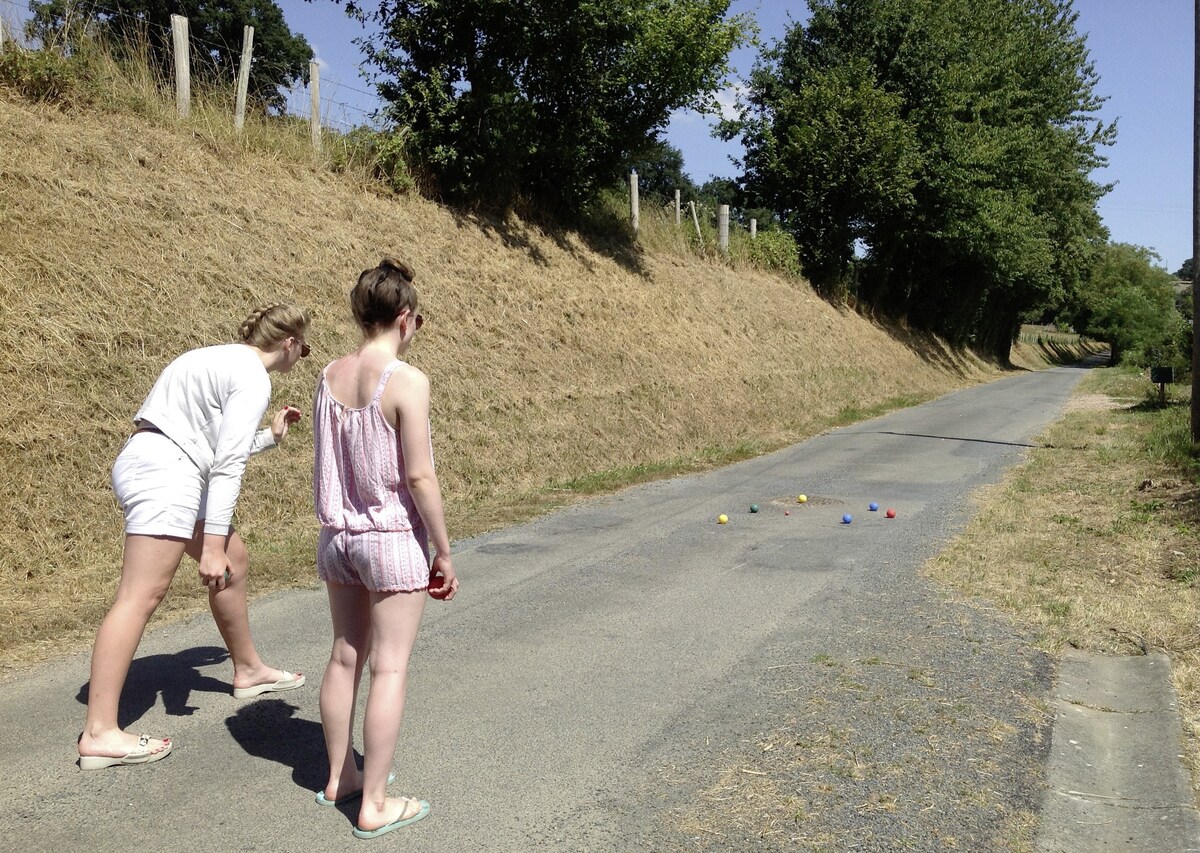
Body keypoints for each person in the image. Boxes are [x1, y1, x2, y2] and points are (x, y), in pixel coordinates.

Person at [77, 304, 313, 771]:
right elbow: (226, 466)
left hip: (157, 460)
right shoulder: (253, 377)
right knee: (140, 595)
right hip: (168, 474)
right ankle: (100, 733)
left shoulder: (208, 358)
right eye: (303, 349)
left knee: (236, 559)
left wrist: (269, 436)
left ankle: (247, 669)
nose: (301, 357)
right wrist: (211, 546)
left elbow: (212, 445)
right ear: (288, 343)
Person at [312, 258, 458, 839]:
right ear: (403, 318)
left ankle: (339, 776)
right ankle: (374, 803)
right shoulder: (407, 380)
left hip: (337, 538)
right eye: (417, 320)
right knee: (389, 667)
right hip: (391, 539)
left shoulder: (328, 374)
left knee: (344, 656)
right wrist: (443, 550)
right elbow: (419, 478)